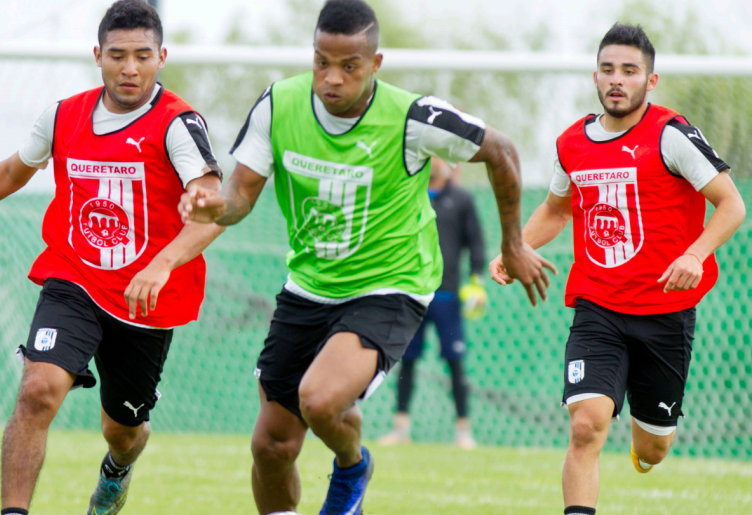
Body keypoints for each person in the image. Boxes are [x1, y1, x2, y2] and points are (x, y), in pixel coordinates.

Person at [179, 1, 555, 513]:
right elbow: (241, 195)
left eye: (349, 66)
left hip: (390, 285)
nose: (331, 78)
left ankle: (352, 465)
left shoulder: (413, 118)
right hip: (309, 284)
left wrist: (513, 244)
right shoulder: (278, 104)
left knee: (319, 399)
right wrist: (213, 207)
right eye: (321, 63)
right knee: (271, 447)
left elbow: (503, 151)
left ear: (374, 65)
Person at [490, 22, 746, 515]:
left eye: (629, 71)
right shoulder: (573, 143)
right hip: (598, 307)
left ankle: (647, 440)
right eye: (608, 69)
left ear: (649, 81)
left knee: (653, 449)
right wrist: (514, 246)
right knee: (585, 426)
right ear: (595, 76)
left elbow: (731, 205)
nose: (617, 80)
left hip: (666, 312)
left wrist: (695, 253)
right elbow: (559, 209)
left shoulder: (672, 135)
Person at [0, 2, 225, 514]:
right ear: (98, 56)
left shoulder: (177, 124)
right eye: (117, 55)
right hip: (72, 276)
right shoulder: (63, 115)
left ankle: (116, 471)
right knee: (37, 391)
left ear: (162, 56)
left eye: (142, 55)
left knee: (123, 430)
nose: (130, 68)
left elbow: (209, 211)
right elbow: (10, 173)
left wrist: (161, 264)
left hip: (144, 298)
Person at [379, 157, 486, 449]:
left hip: (448, 297)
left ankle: (463, 430)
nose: (435, 160)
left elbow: (475, 241)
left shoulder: (461, 199)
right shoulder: (408, 194)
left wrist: (477, 279)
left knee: (455, 362)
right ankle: (400, 428)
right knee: (407, 361)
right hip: (411, 295)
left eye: (440, 154)